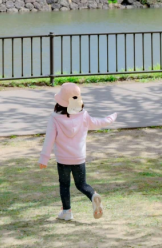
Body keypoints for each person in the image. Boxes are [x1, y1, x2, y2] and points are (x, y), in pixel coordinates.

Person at [38, 81, 117, 221]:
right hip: (79, 158)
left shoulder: (55, 118)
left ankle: (67, 212)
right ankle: (93, 195)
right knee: (81, 184)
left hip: (63, 160)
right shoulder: (83, 116)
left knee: (64, 185)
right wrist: (111, 118)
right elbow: (99, 123)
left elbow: (49, 139)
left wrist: (44, 158)